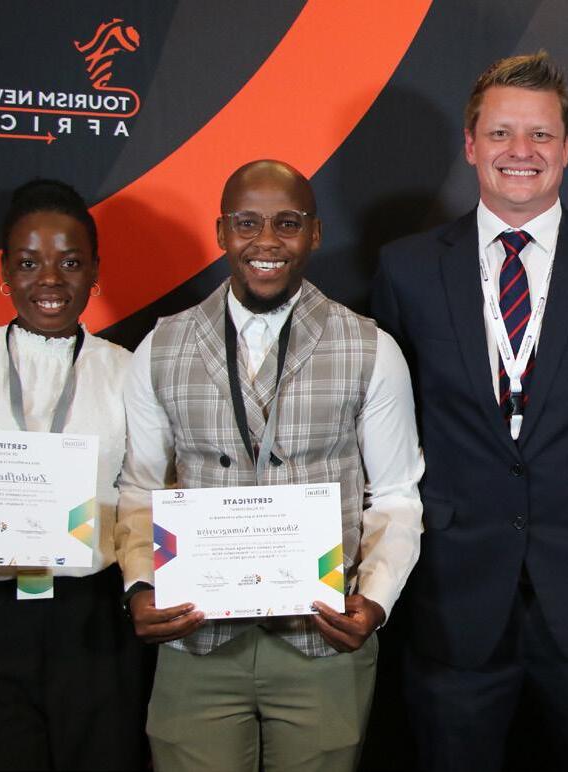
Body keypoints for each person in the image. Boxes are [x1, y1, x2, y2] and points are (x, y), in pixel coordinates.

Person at [372, 52, 568, 771]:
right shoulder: (406, 269)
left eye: (540, 135)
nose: (521, 151)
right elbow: (391, 431)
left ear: (567, 148)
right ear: (470, 144)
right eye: (501, 133)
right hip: (454, 603)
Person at [115, 159, 424, 772]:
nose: (266, 241)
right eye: (246, 223)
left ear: (315, 233)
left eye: (287, 223)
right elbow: (141, 487)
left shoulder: (371, 348)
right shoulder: (161, 346)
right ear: (221, 232)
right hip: (197, 639)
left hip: (322, 641)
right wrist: (140, 584)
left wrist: (376, 599)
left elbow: (395, 494)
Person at [0, 179, 148, 770]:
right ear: (4, 270)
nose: (49, 280)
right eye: (28, 263)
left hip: (90, 623)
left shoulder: (129, 375)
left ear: (94, 271)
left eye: (70, 263)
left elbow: (144, 495)